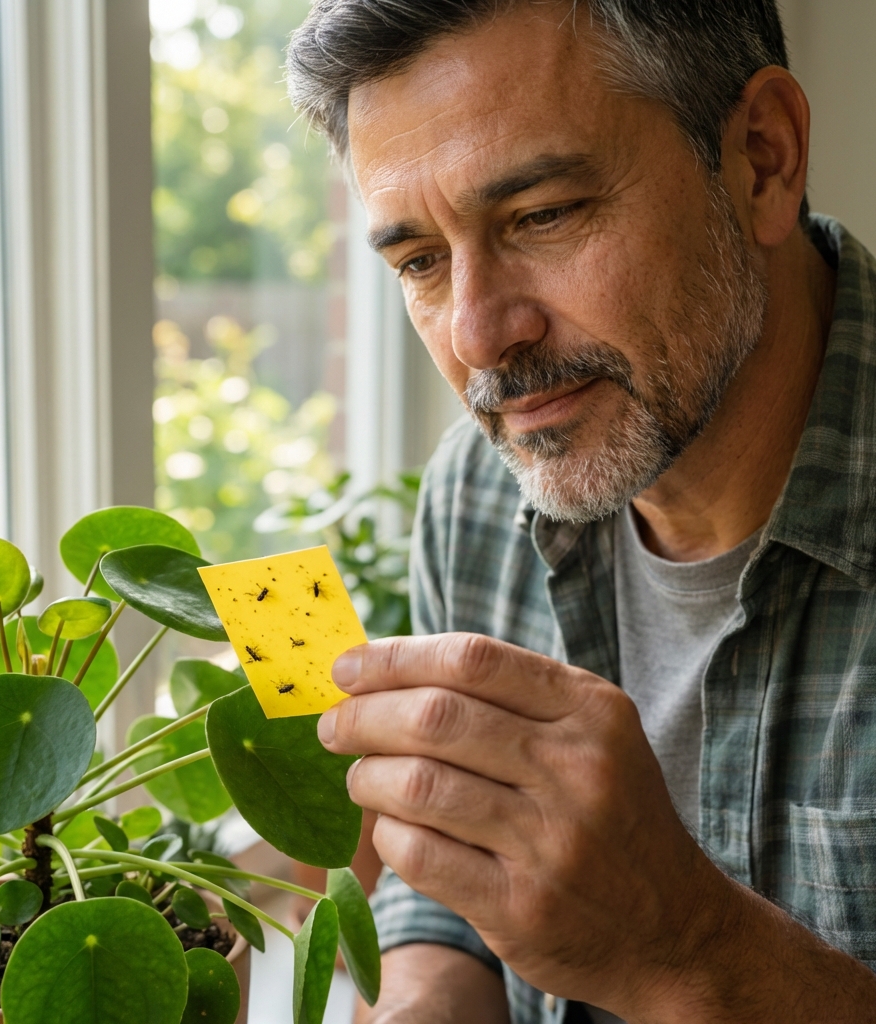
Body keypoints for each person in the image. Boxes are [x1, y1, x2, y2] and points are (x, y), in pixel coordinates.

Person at [285, 1, 876, 1022]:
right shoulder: (475, 494)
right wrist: (423, 997)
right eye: (420, 261)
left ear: (762, 158)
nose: (478, 336)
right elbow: (450, 908)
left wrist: (688, 948)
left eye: (541, 216)